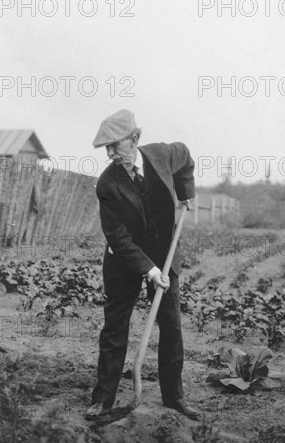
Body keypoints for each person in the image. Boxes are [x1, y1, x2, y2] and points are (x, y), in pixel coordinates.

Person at [85, 109, 200, 421]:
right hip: (124, 259)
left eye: (114, 145)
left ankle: (174, 397)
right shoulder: (107, 185)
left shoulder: (162, 155)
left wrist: (186, 192)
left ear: (134, 139)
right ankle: (104, 398)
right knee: (115, 325)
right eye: (105, 148)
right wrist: (149, 271)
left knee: (172, 326)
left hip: (164, 253)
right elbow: (119, 239)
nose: (109, 154)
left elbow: (186, 157)